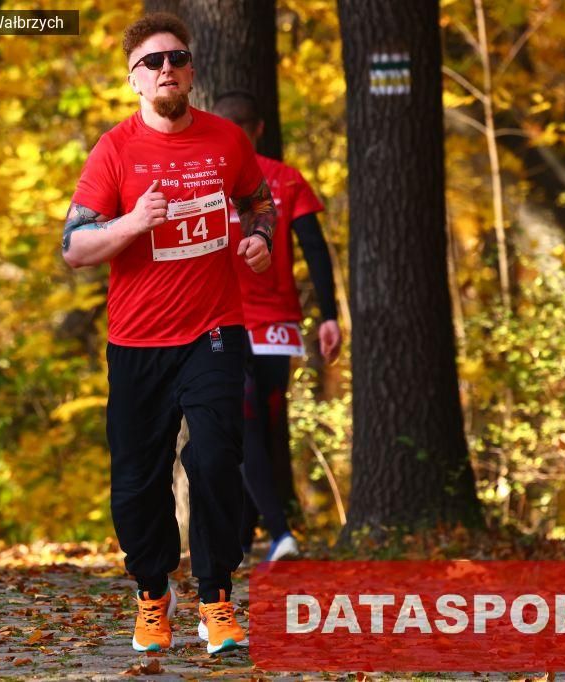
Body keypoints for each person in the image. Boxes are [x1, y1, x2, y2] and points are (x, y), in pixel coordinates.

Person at [61, 14, 277, 655]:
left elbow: (258, 202)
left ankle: (216, 598)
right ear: (133, 79)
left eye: (176, 59)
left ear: (191, 70)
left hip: (214, 331)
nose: (166, 70)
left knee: (214, 458)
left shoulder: (226, 140)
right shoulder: (114, 150)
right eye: (152, 62)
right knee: (136, 481)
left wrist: (260, 238)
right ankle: (153, 594)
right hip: (137, 342)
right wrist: (133, 223)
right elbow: (74, 247)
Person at [212, 91, 343, 562]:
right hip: (277, 325)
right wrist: (329, 315)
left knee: (244, 430)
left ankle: (278, 533)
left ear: (220, 128)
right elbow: (316, 249)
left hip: (221, 322)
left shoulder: (204, 182)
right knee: (260, 430)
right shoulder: (287, 179)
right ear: (260, 128)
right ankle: (248, 539)